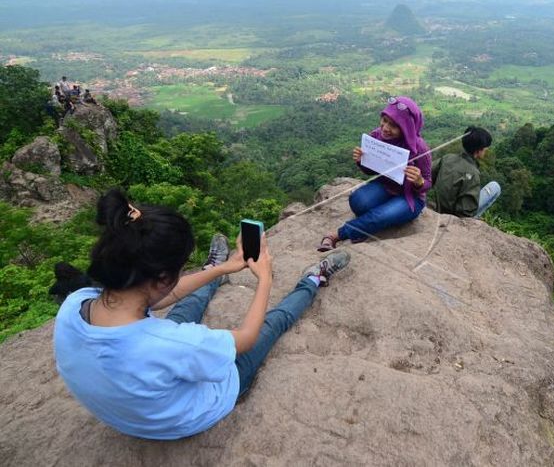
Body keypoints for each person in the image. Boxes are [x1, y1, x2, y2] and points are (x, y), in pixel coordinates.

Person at [54, 189, 351, 440]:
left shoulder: (75, 304)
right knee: (273, 322)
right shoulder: (171, 343)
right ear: (161, 278)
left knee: (182, 308)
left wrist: (223, 269)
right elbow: (247, 338)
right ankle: (313, 280)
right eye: (181, 268)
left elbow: (157, 302)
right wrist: (265, 279)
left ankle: (214, 270)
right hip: (191, 414)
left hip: (130, 413)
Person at [318, 96, 432, 251]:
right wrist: (361, 161)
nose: (385, 128)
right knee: (357, 201)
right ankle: (369, 225)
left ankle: (337, 235)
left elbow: (428, 183)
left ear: (406, 127)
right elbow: (371, 170)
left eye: (393, 125)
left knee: (380, 215)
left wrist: (418, 181)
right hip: (386, 186)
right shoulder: (377, 137)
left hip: (410, 197)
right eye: (384, 121)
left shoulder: (419, 148)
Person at [431, 126, 501, 218]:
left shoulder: (447, 158)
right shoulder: (473, 173)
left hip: (437, 207)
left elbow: (429, 173)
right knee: (495, 187)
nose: (486, 150)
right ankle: (475, 220)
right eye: (485, 148)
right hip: (455, 218)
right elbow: (466, 211)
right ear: (478, 150)